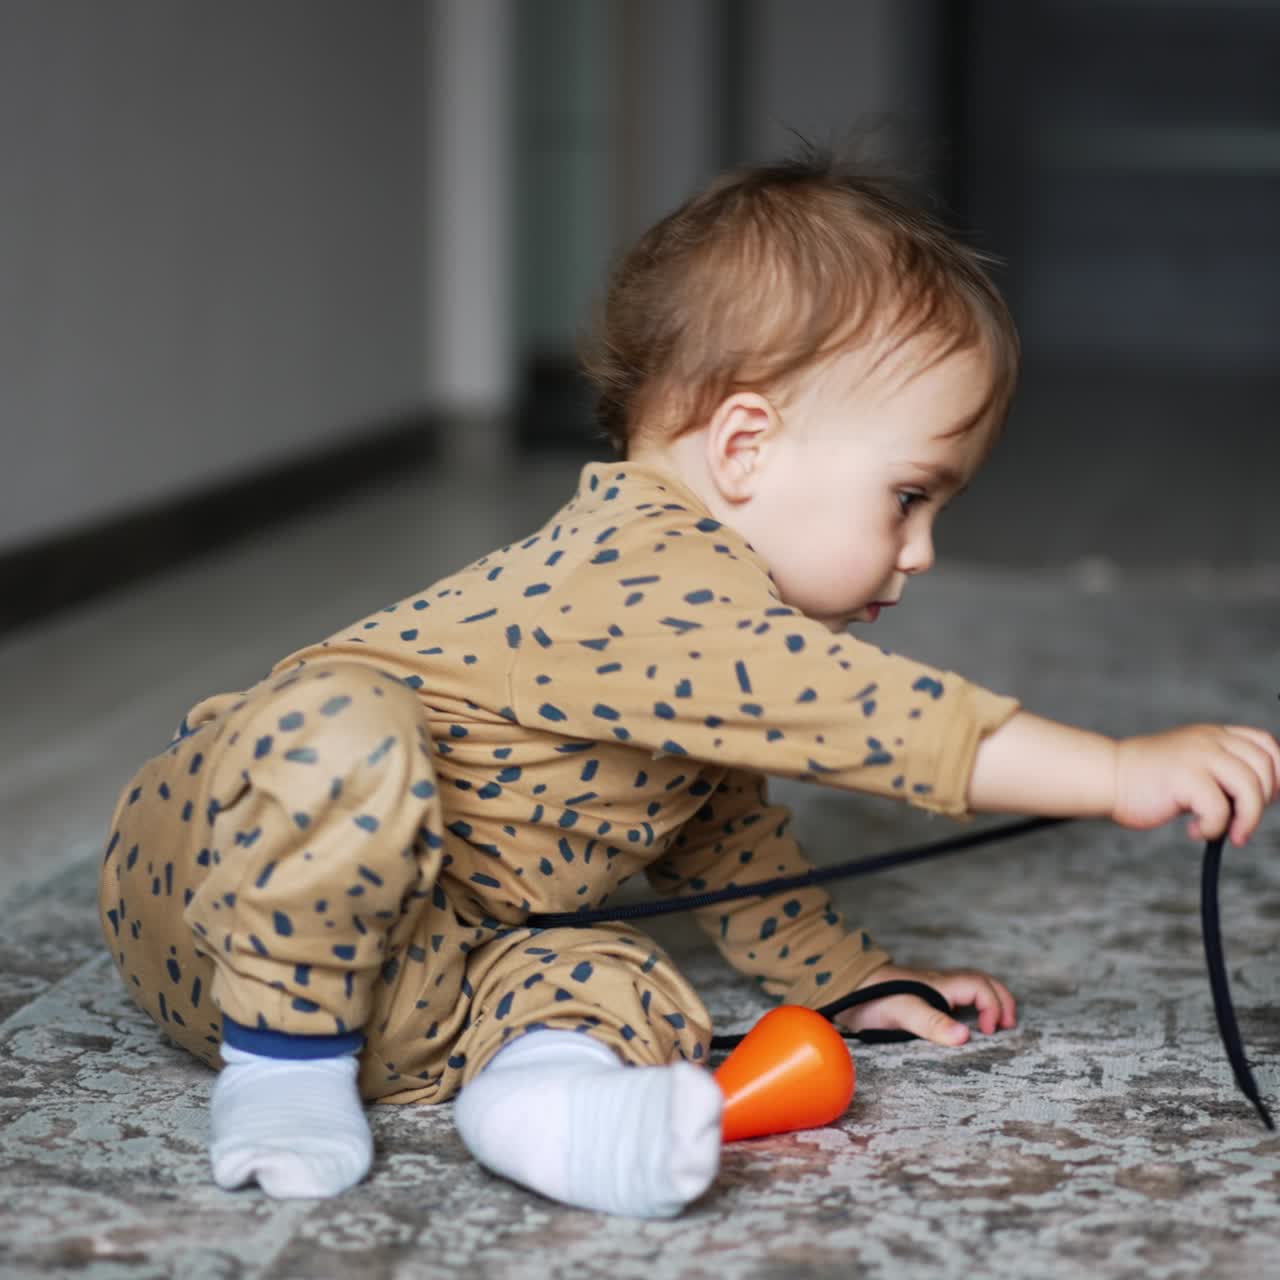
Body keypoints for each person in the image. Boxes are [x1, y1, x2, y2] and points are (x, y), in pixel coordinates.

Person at [98, 149, 1279, 1217]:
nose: (919, 551)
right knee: (336, 726)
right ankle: (282, 1071)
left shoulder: (705, 665)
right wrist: (1114, 768)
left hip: (405, 974)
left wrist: (853, 981)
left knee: (613, 977)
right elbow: (862, 714)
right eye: (908, 497)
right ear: (744, 446)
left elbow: (725, 840)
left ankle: (540, 1107)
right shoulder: (641, 569)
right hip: (225, 882)